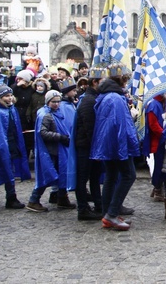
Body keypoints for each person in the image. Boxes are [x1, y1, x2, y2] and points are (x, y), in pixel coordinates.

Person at [91, 64, 139, 231]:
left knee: (111, 176)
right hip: (116, 144)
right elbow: (120, 124)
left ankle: (107, 214)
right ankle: (111, 213)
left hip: (107, 143)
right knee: (129, 175)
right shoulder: (115, 98)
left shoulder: (106, 95)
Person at [27, 90, 76, 212]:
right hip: (51, 151)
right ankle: (34, 200)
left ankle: (62, 198)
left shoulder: (56, 112)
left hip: (58, 149)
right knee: (47, 175)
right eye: (53, 102)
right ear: (48, 101)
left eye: (58, 101)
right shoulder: (45, 115)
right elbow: (42, 132)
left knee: (62, 174)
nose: (56, 104)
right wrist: (60, 137)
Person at [0, 86, 30, 208]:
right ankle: (11, 198)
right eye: (6, 96)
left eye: (11, 95)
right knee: (4, 170)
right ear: (0, 98)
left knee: (6, 169)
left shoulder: (11, 109)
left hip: (11, 144)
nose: (9, 98)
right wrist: (2, 148)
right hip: (2, 146)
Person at [73, 66, 105, 220]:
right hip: (87, 146)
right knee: (83, 177)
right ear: (95, 83)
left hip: (92, 145)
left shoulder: (94, 98)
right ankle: (83, 209)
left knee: (94, 176)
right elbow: (90, 127)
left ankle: (99, 204)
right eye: (102, 81)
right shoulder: (88, 100)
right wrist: (96, 147)